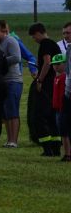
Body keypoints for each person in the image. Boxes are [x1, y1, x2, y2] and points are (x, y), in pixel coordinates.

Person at [27, 23, 62, 156]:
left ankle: (47, 149)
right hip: (54, 83)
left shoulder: (45, 44)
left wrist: (40, 80)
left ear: (39, 33)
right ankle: (56, 148)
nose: (34, 39)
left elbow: (47, 62)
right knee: (53, 116)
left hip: (46, 84)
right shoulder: (54, 44)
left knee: (39, 117)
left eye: (34, 36)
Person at [0, 20, 23, 148]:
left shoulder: (11, 41)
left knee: (12, 111)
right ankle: (8, 139)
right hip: (3, 81)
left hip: (13, 80)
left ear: (1, 31)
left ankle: (14, 140)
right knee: (6, 113)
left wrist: (1, 60)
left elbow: (17, 57)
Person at [50, 54, 70, 161]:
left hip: (64, 108)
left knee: (65, 131)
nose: (56, 66)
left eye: (58, 64)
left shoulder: (65, 77)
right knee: (62, 132)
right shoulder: (56, 77)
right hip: (57, 108)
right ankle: (66, 153)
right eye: (54, 64)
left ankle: (68, 154)